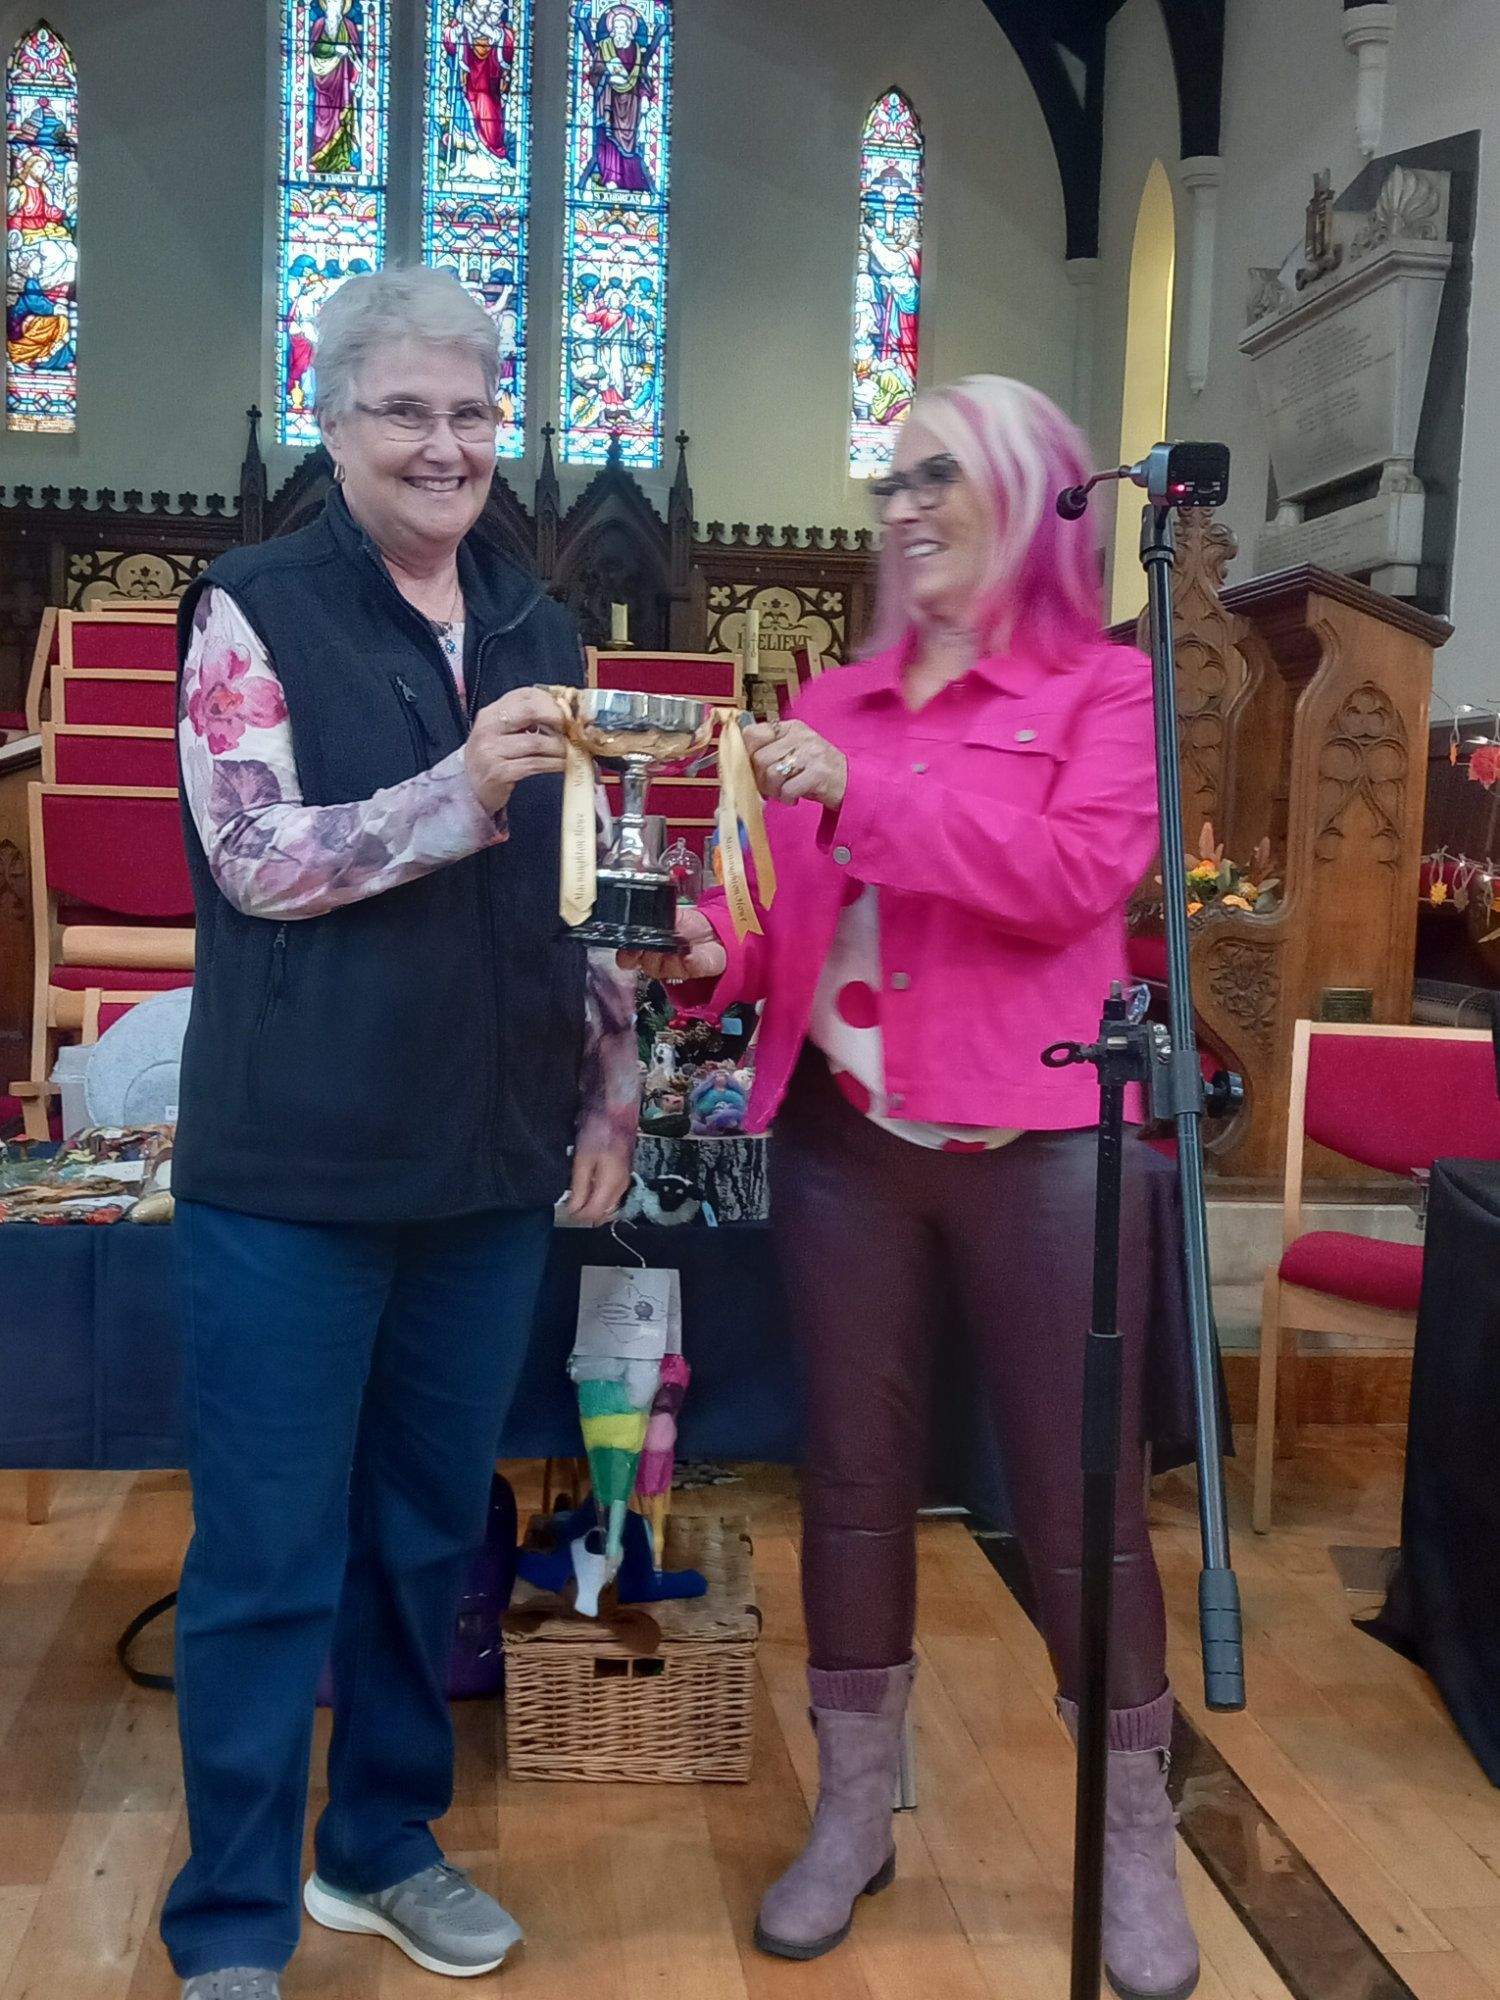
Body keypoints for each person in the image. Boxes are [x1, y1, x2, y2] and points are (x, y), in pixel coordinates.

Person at [628, 376, 1200, 2000]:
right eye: (893, 478)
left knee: (1086, 1515)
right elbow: (788, 920)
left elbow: (1074, 879)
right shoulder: (848, 697)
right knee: (855, 1486)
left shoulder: (1104, 691)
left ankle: (1132, 1837)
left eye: (942, 474)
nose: (906, 503)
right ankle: (856, 1808)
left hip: (1044, 1145)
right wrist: (708, 959)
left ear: (1029, 492)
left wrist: (857, 797)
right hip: (846, 1144)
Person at [164, 266, 638, 2000]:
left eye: (470, 413)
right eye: (404, 413)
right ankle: (228, 1919)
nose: (444, 446)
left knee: (425, 1536)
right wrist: (464, 790)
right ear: (337, 422)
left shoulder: (541, 625)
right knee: (268, 1554)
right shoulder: (251, 607)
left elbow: (585, 892)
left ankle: (377, 1843)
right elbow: (255, 861)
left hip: (486, 1162)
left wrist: (612, 1073)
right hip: (294, 1168)